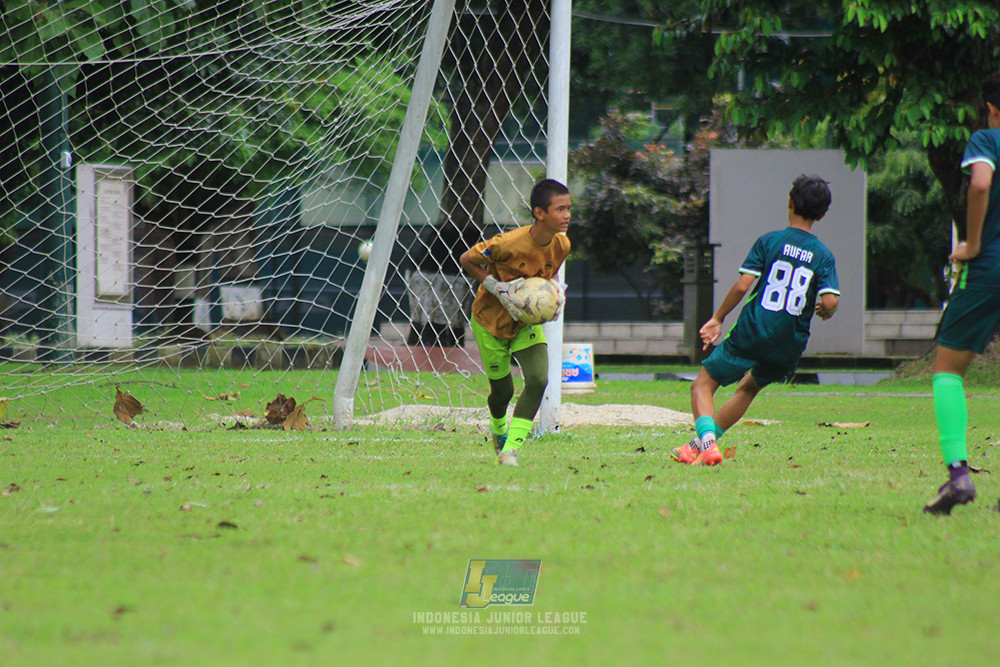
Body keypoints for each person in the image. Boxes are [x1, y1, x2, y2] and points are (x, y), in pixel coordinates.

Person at [673, 174, 840, 466]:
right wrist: (827, 310)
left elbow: (742, 286)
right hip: (789, 343)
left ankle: (708, 445)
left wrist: (718, 318)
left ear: (789, 201)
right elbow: (830, 301)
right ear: (823, 214)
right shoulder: (823, 255)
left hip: (755, 330)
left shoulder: (770, 241)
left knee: (702, 385)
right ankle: (694, 447)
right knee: (748, 388)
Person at [923, 74, 1000, 515]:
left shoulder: (986, 139)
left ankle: (958, 475)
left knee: (948, 370)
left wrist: (971, 243)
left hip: (988, 268)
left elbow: (981, 184)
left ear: (990, 108)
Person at [459, 178, 571, 466]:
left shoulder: (562, 243)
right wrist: (496, 287)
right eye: (560, 209)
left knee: (539, 379)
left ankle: (510, 450)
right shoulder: (507, 243)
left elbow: (552, 272)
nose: (567, 215)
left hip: (525, 322)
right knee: (503, 392)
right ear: (539, 213)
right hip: (490, 321)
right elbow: (466, 259)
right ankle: (499, 430)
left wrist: (556, 290)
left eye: (569, 208)